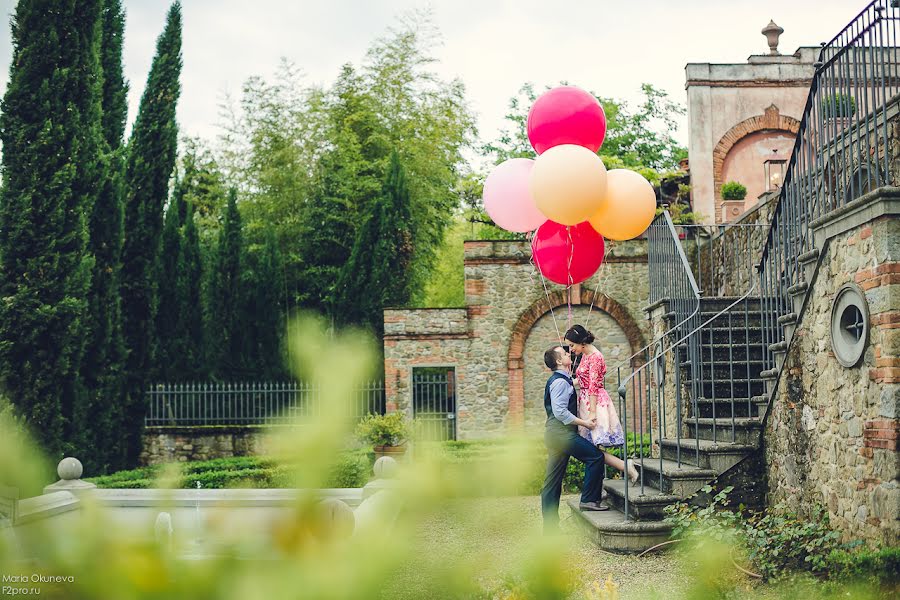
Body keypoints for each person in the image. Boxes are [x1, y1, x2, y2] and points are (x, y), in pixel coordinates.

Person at [540, 345, 608, 534]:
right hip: (561, 434)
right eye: (564, 354)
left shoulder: (563, 379)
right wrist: (585, 423)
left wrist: (589, 375)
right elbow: (560, 412)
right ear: (559, 361)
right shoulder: (560, 382)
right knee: (595, 457)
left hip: (555, 434)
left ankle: (550, 529)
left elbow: (574, 383)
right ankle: (588, 500)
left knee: (552, 481)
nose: (568, 353)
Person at [564, 324, 639, 486]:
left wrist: (592, 413)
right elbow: (582, 381)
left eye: (571, 345)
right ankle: (615, 474)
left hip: (595, 403)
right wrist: (564, 383)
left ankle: (621, 470)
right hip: (585, 401)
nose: (570, 349)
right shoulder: (585, 354)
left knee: (592, 449)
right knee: (591, 449)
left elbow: (593, 386)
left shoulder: (596, 357)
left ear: (581, 342)